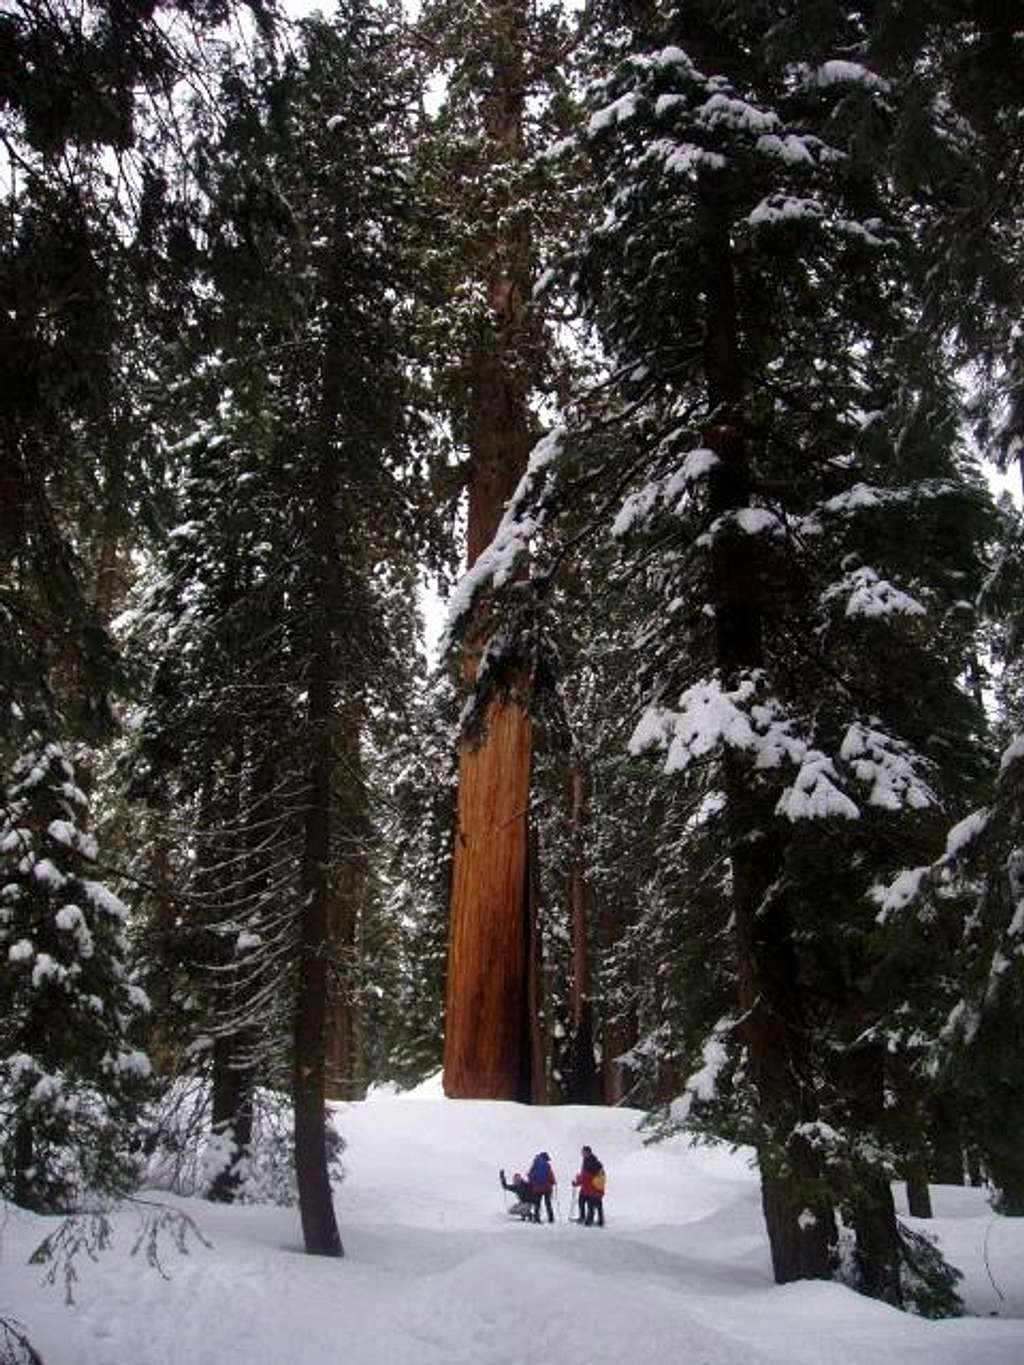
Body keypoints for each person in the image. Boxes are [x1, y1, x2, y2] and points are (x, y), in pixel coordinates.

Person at [572, 1145, 605, 1227]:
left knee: (589, 1203)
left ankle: (588, 1220)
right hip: (596, 1187)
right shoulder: (594, 1161)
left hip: (589, 1187)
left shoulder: (589, 1162)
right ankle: (600, 1220)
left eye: (583, 1152)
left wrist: (577, 1181)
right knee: (597, 1203)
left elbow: (585, 1176)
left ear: (587, 1152)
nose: (581, 1153)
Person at [526, 1151, 556, 1223]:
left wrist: (533, 1183)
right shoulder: (547, 1165)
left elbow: (529, 1175)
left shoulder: (535, 1164)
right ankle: (551, 1218)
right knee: (548, 1203)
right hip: (547, 1188)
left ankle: (537, 1218)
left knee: (537, 1204)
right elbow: (551, 1176)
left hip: (537, 1188)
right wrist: (553, 1182)